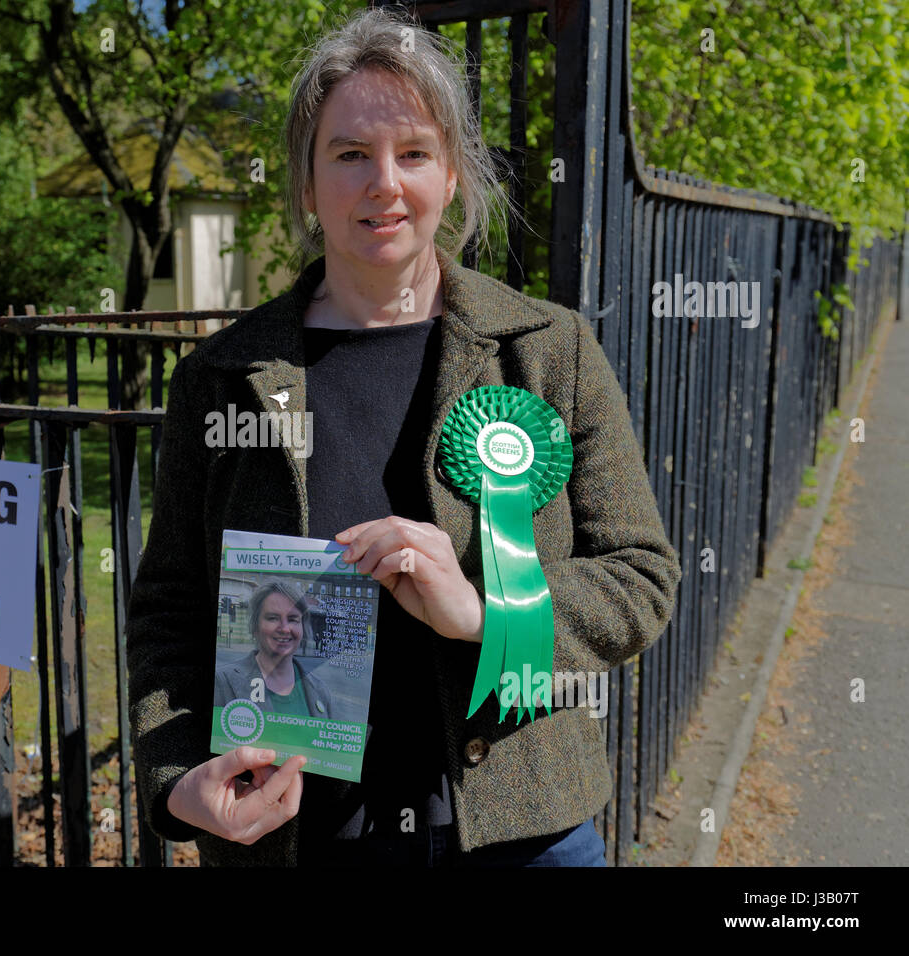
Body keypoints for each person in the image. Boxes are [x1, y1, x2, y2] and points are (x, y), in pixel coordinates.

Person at [126, 7, 682, 866]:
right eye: (349, 154)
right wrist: (175, 775)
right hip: (295, 839)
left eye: (414, 152)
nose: (384, 183)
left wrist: (489, 614)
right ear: (307, 184)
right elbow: (169, 607)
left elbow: (641, 577)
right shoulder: (222, 376)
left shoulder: (547, 350)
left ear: (452, 175)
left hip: (523, 835)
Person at [214, 581, 334, 719]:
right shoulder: (221, 681)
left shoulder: (321, 692)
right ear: (255, 627)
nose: (284, 628)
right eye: (273, 618)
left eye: (293, 619)